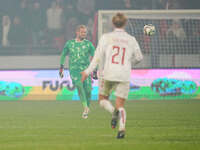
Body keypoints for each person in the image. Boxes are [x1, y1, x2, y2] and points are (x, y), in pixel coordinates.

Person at [81, 13, 143, 139]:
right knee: (121, 105)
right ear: (125, 23)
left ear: (112, 24)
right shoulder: (131, 39)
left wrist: (87, 71)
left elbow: (97, 57)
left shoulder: (106, 37)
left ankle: (113, 112)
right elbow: (139, 58)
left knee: (103, 100)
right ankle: (121, 129)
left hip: (108, 73)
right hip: (124, 74)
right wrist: (128, 62)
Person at [59, 25, 95, 119]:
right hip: (74, 70)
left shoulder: (89, 44)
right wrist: (61, 67)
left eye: (85, 32)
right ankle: (85, 108)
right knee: (79, 86)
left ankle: (87, 108)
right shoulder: (69, 43)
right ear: (77, 32)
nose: (84, 34)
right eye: (82, 32)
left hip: (85, 70)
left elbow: (95, 57)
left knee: (88, 91)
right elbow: (63, 55)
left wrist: (95, 70)